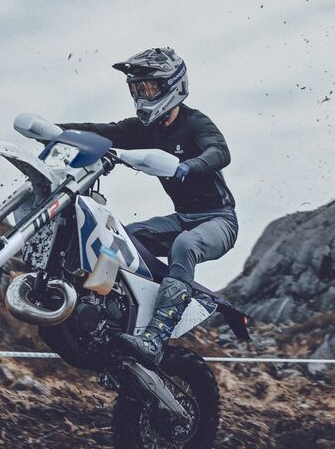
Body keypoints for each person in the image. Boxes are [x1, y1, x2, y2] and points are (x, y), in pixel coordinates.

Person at [56, 47, 237, 366]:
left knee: (185, 246)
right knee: (120, 239)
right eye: (136, 90)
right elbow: (103, 131)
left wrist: (188, 166)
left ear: (172, 86)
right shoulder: (145, 129)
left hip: (218, 220)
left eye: (148, 89)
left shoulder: (196, 123)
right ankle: (108, 317)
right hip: (181, 218)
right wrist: (55, 132)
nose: (141, 97)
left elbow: (220, 152)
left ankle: (155, 338)